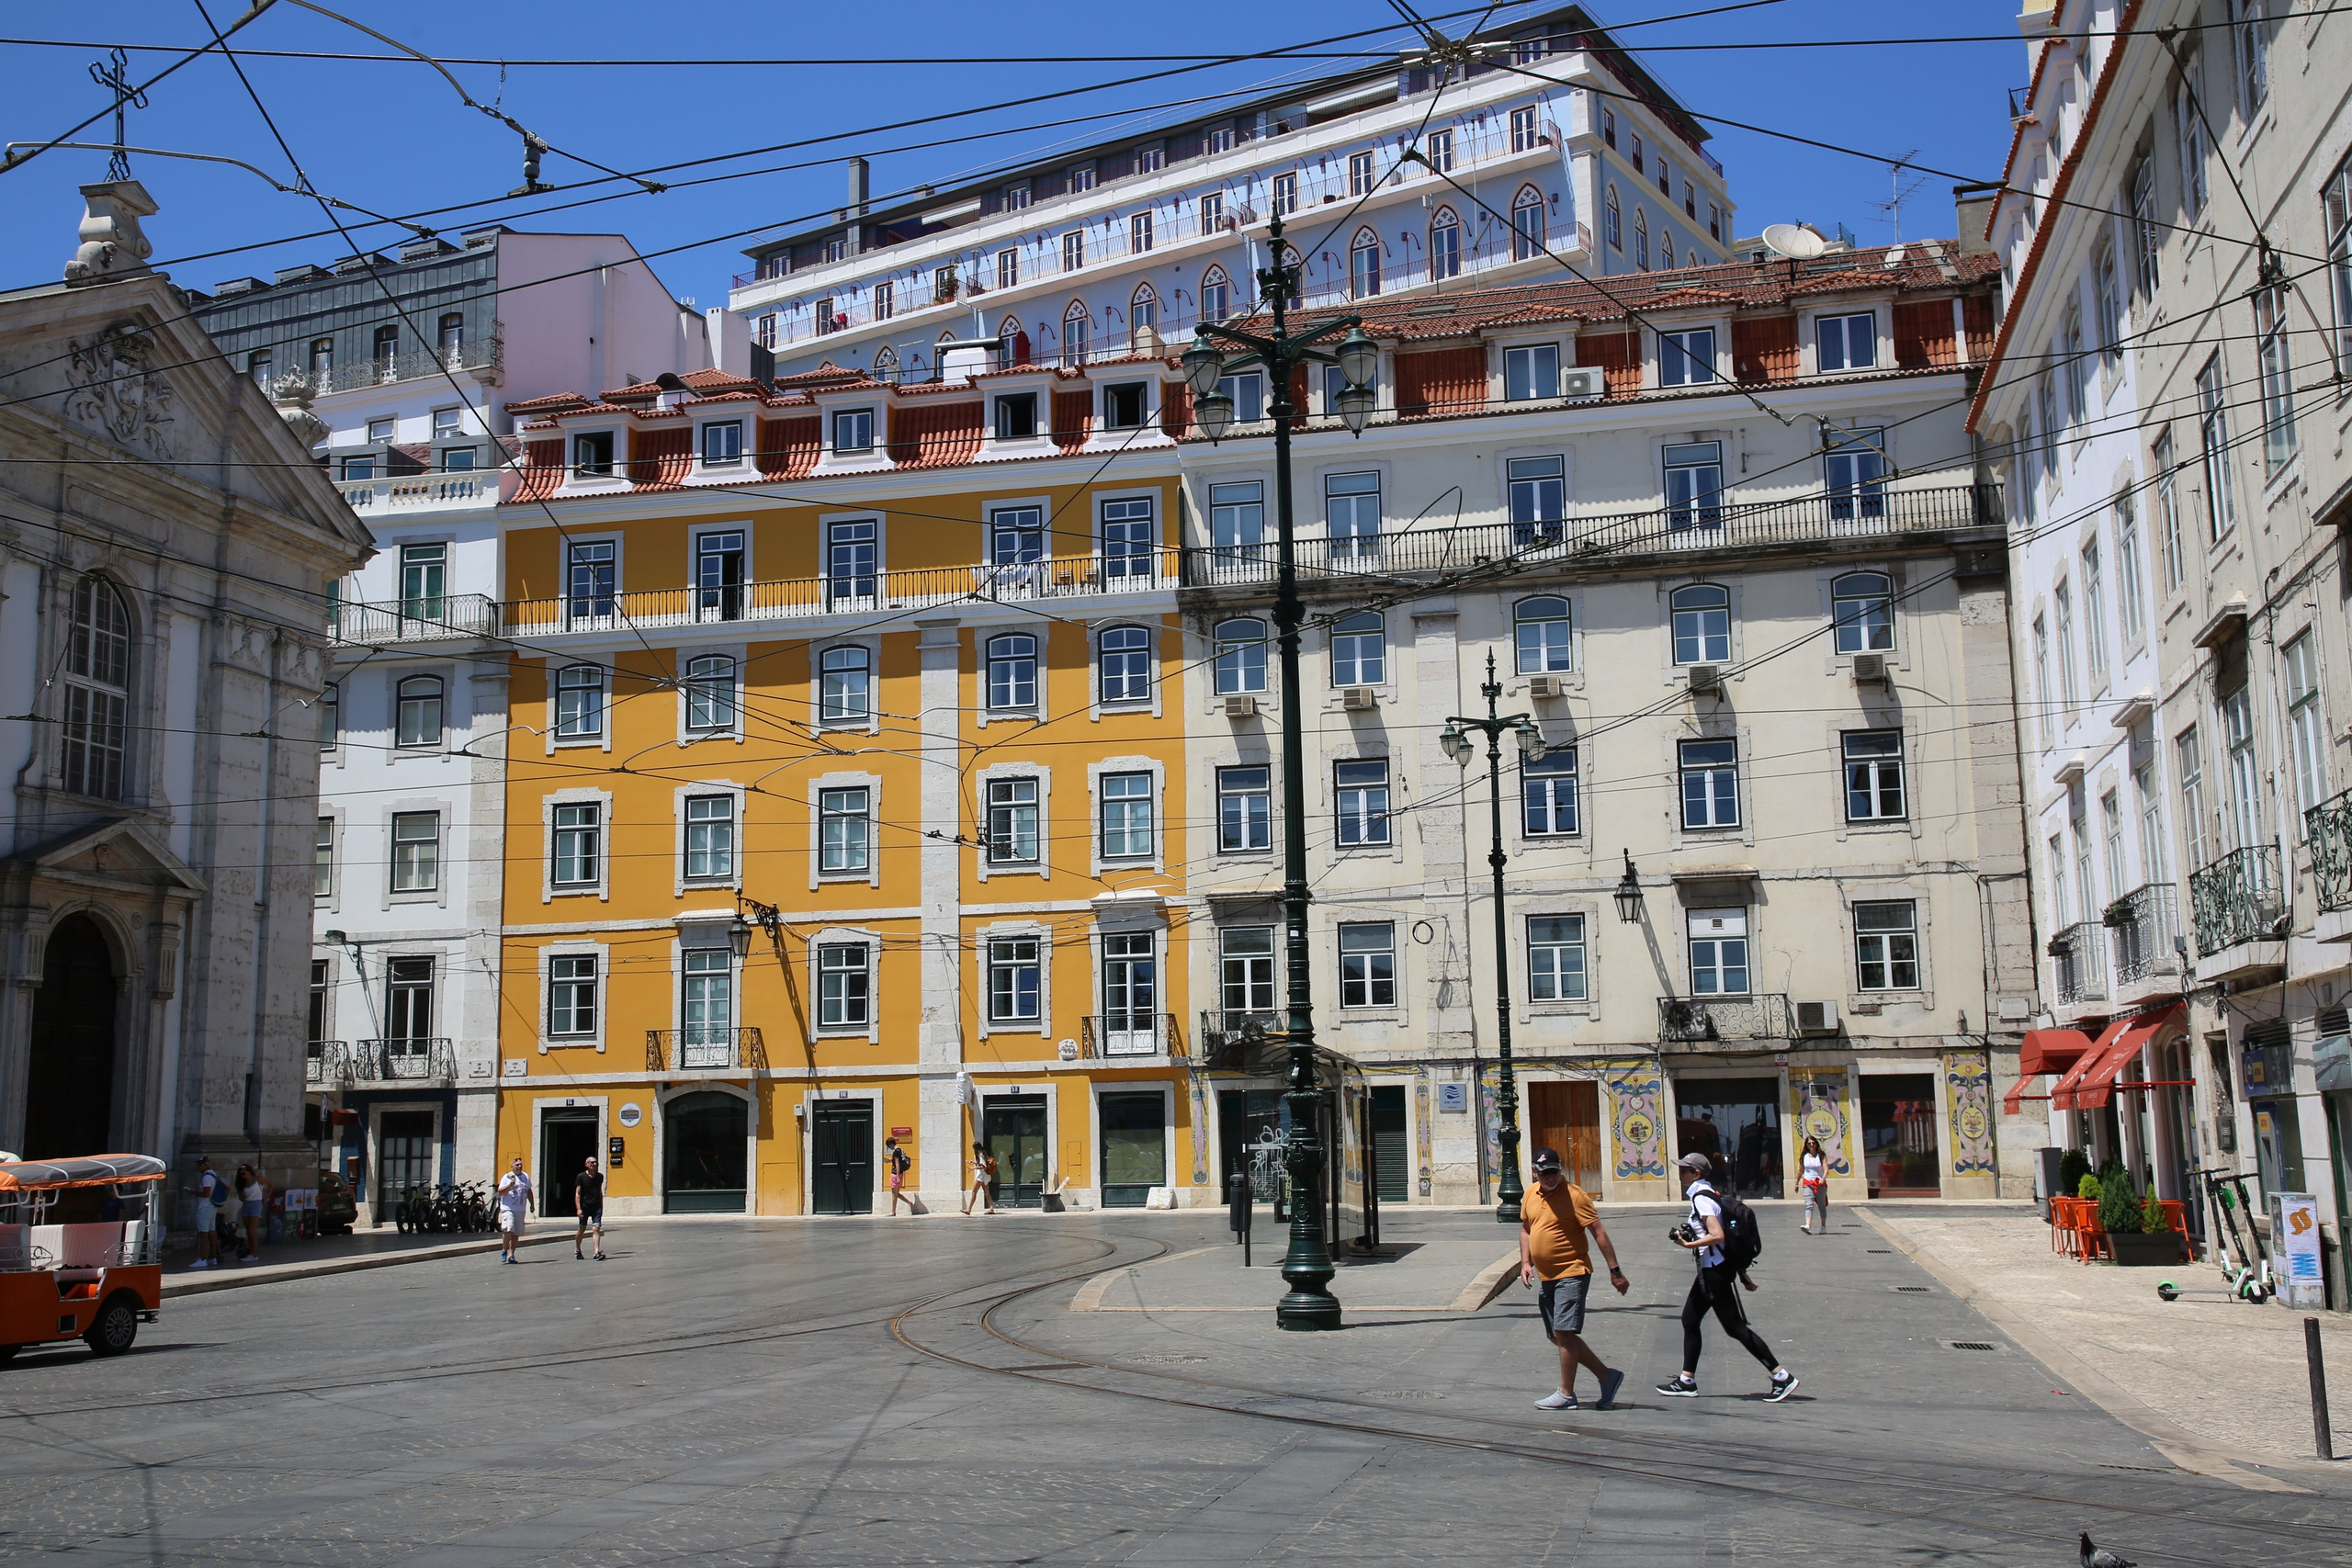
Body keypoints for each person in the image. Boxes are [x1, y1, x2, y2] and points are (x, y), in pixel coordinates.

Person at [1657, 1152, 1798, 1403]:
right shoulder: (1708, 1195)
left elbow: (1718, 1236)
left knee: (1735, 1328)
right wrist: (1743, 1276)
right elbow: (1726, 1242)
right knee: (1690, 1319)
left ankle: (1781, 1376)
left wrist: (1687, 1245)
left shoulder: (1702, 1199)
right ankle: (1687, 1380)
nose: (1680, 1174)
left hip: (1715, 1273)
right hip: (1714, 1270)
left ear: (1696, 1174)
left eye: (1684, 1170)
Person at [1517, 1146, 1628, 1411]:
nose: (1550, 1177)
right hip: (1547, 1277)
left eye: (1554, 1172)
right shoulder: (1530, 1194)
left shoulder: (1576, 1196)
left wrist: (1615, 1271)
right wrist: (1525, 1262)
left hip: (1573, 1272)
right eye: (1544, 1173)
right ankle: (1606, 1376)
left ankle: (1566, 1394)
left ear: (1560, 1169)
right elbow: (1526, 1230)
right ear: (1535, 1173)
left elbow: (1598, 1233)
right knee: (1558, 1336)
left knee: (1564, 1332)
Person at [185, 1156, 225, 1269]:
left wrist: (192, 1192)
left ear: (206, 1165)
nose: (198, 1167)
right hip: (212, 1207)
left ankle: (202, 1259)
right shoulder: (213, 1175)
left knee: (203, 1235)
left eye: (200, 1165)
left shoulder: (206, 1177)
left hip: (205, 1207)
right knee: (212, 1233)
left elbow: (206, 1193)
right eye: (197, 1165)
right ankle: (213, 1258)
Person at [494, 1156, 534, 1263]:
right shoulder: (506, 1177)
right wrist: (510, 1185)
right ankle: (504, 1250)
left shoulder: (525, 1176)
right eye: (517, 1165)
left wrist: (532, 1204)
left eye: (521, 1164)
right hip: (508, 1208)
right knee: (509, 1229)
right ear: (512, 1165)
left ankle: (511, 1254)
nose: (519, 1166)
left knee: (516, 1233)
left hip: (520, 1209)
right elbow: (500, 1191)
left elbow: (529, 1191)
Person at [573, 1155, 606, 1260]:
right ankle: (578, 1249)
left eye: (595, 1162)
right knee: (582, 1228)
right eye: (592, 1162)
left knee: (596, 1228)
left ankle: (596, 1252)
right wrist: (578, 1208)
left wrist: (601, 1205)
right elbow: (578, 1193)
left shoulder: (600, 1177)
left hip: (596, 1206)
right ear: (586, 1164)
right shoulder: (581, 1177)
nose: (594, 1164)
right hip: (585, 1206)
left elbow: (599, 1191)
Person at [236, 1164, 268, 1263]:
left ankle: (254, 1254)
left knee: (251, 1230)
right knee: (248, 1230)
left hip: (256, 1204)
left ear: (249, 1172)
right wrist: (242, 1196)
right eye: (240, 1174)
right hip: (246, 1204)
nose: (242, 1175)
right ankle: (251, 1252)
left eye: (244, 1173)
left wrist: (267, 1196)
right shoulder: (242, 1183)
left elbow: (271, 1184)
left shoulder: (258, 1179)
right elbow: (241, 1198)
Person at [1799, 1135, 1830, 1235]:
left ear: (1816, 1144)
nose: (1811, 1145)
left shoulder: (1821, 1155)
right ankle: (1808, 1225)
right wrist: (1796, 1183)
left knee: (1821, 1205)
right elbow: (1800, 1171)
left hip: (1820, 1183)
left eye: (1813, 1143)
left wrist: (1823, 1178)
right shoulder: (1804, 1156)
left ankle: (1823, 1227)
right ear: (1806, 1145)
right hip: (1808, 1182)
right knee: (1809, 1205)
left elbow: (1826, 1169)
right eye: (1809, 1143)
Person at [963, 1143, 997, 1215]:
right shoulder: (983, 1154)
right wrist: (975, 1162)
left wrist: (973, 1168)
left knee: (974, 1192)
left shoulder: (980, 1154)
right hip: (985, 1176)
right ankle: (991, 1208)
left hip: (981, 1176)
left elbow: (983, 1166)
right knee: (987, 1193)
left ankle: (969, 1209)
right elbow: (982, 1163)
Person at [884, 1137, 913, 1215]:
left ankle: (893, 1211)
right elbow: (899, 1161)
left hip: (895, 1174)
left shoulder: (896, 1152)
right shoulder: (900, 1150)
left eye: (889, 1146)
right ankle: (909, 1203)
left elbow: (897, 1164)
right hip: (900, 1174)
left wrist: (896, 1176)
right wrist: (891, 1160)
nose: (889, 1148)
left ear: (891, 1144)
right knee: (897, 1194)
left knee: (894, 1194)